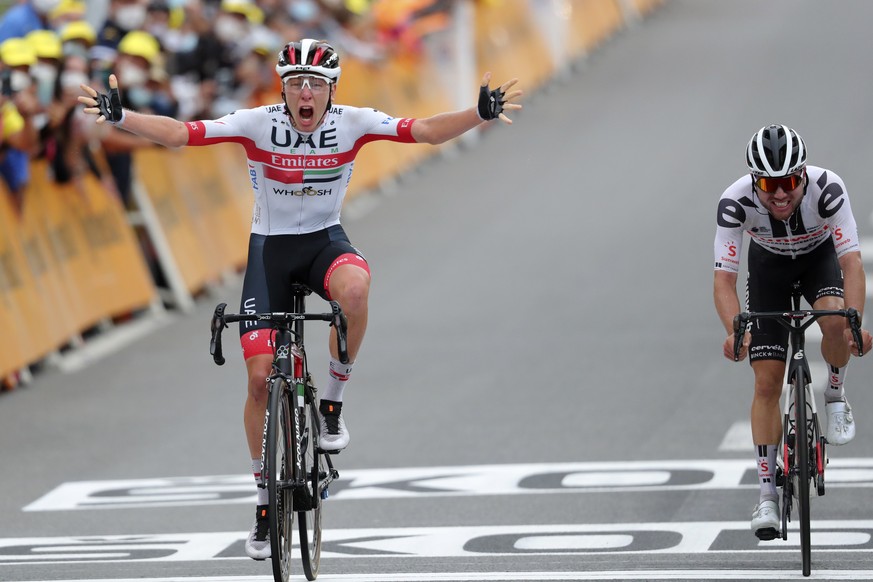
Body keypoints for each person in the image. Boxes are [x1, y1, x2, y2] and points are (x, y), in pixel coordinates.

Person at [79, 38, 522, 560]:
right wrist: (120, 115)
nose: (304, 94)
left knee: (355, 288)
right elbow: (179, 134)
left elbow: (421, 131)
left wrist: (478, 112)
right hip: (268, 253)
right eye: (295, 84)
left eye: (314, 84)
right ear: (282, 88)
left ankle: (331, 401)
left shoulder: (353, 122)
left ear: (331, 90)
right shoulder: (256, 123)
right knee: (260, 380)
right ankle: (266, 504)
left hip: (323, 243)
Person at [713, 124, 873, 540]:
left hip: (819, 259)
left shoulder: (829, 190)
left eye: (789, 182)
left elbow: (852, 264)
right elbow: (724, 282)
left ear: (803, 175)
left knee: (836, 320)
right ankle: (766, 494)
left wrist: (856, 321)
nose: (780, 194)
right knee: (766, 382)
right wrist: (735, 330)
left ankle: (835, 394)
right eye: (768, 184)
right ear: (754, 181)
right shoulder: (734, 202)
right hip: (768, 271)